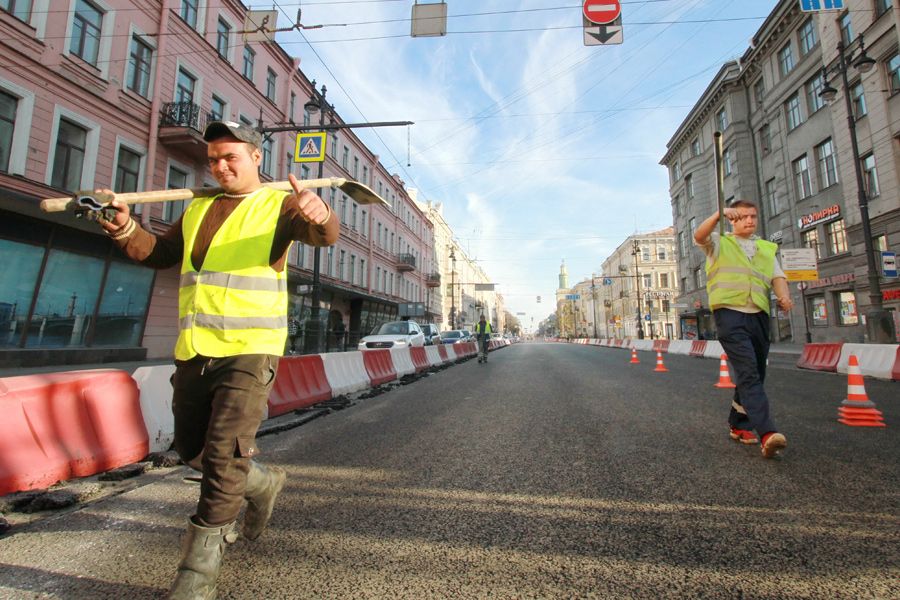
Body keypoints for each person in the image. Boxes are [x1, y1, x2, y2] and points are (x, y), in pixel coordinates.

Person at [95, 120, 339, 598]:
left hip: (250, 353)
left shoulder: (279, 204)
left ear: (255, 158)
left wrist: (321, 211)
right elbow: (160, 253)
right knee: (192, 450)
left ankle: (195, 577)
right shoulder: (198, 207)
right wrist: (124, 227)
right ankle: (261, 483)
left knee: (225, 455)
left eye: (232, 157)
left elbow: (322, 235)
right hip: (195, 350)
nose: (221, 166)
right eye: (214, 159)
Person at [693, 200, 793, 459]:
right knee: (748, 371)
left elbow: (777, 277)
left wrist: (784, 297)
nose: (749, 220)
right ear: (733, 220)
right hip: (730, 315)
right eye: (743, 217)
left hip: (759, 316)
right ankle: (768, 433)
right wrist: (718, 213)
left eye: (753, 216)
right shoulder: (719, 242)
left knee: (756, 373)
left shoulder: (765, 248)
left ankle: (738, 423)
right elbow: (699, 235)